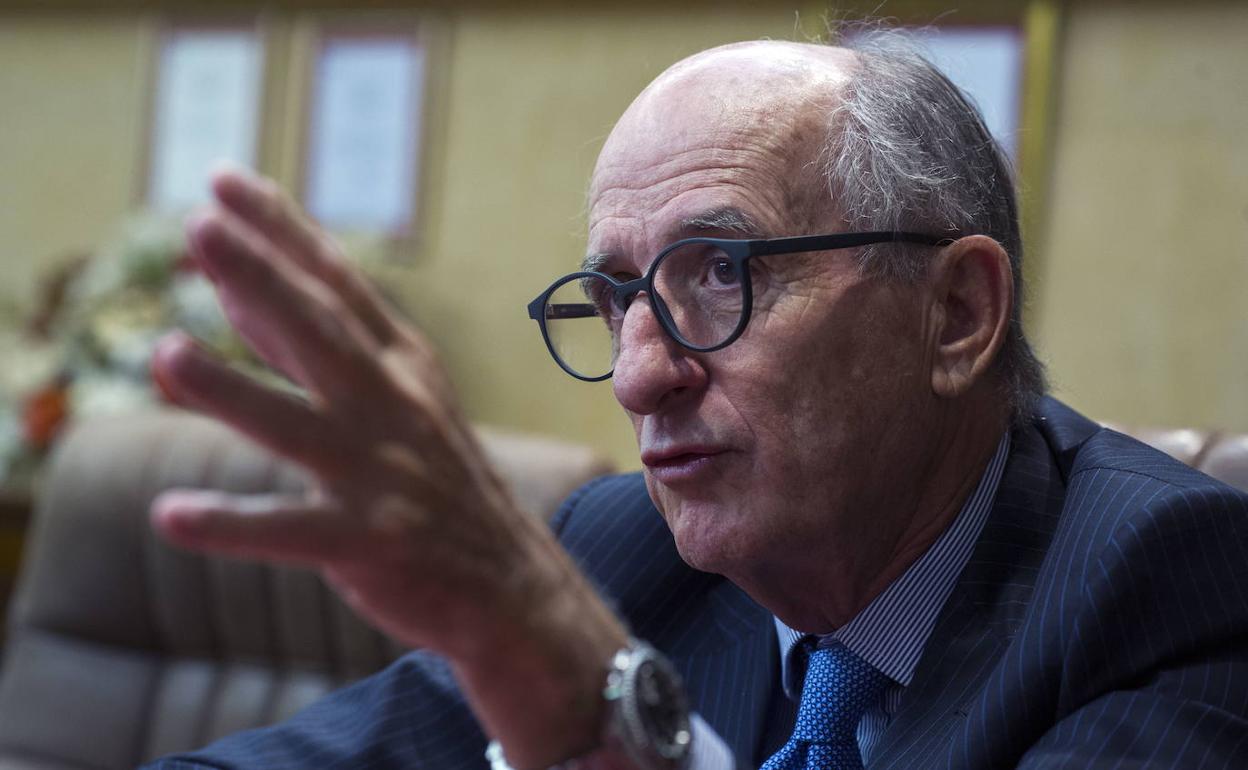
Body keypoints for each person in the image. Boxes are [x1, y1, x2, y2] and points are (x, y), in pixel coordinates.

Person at [146, 30, 1248, 770]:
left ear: (957, 313)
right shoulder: (623, 547)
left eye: (721, 271)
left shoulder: (1169, 590)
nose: (638, 375)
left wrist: (596, 707)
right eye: (618, 296)